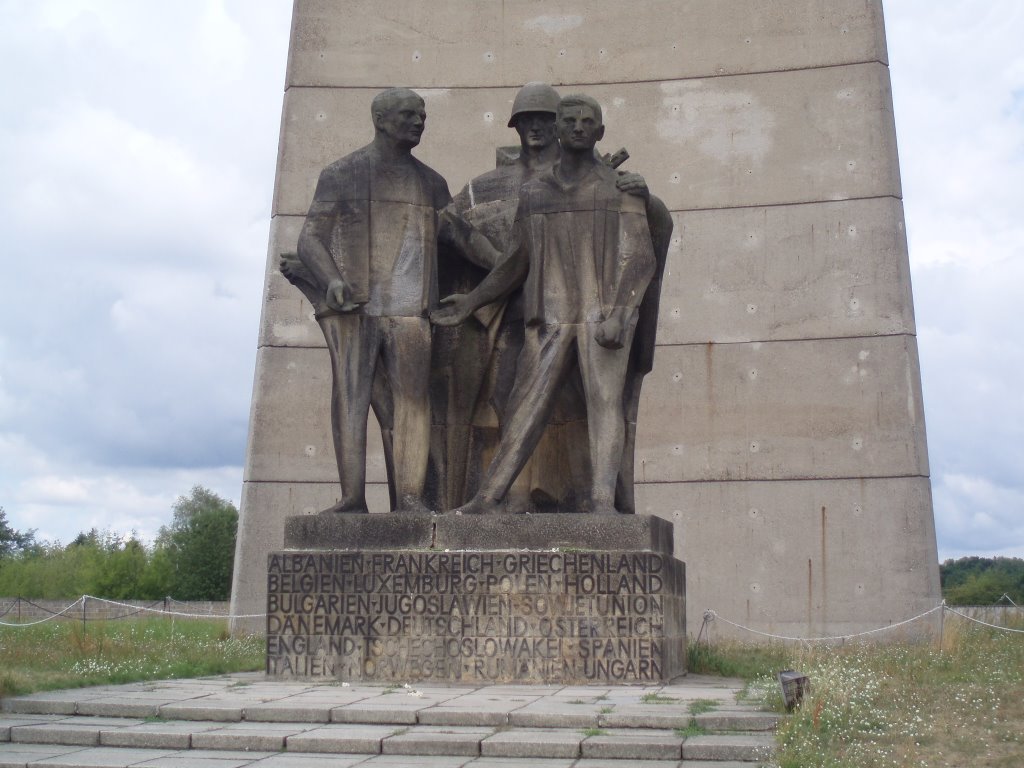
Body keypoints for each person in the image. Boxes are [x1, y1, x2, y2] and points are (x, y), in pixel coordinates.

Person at [431, 94, 656, 515]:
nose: (577, 127)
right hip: (549, 319)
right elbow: (516, 260)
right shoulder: (535, 193)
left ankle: (604, 503)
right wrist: (473, 301)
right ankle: (487, 497)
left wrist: (621, 315)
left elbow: (640, 258)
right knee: (521, 408)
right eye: (569, 121)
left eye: (587, 121)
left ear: (600, 132)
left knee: (604, 405)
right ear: (558, 129)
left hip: (602, 317)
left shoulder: (617, 187)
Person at [291, 87, 450, 514]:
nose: (418, 122)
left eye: (422, 115)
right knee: (350, 398)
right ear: (380, 119)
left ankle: (411, 498)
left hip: (412, 314)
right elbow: (310, 239)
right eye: (408, 114)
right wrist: (332, 280)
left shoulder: (432, 183)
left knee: (413, 405)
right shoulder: (343, 173)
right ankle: (352, 497)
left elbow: (459, 237)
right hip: (355, 309)